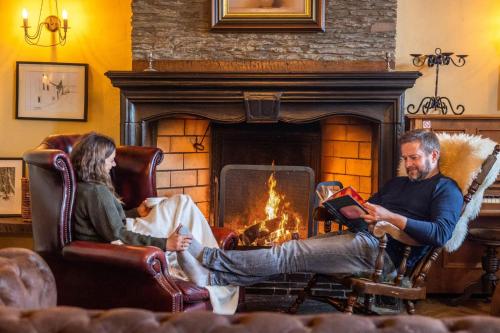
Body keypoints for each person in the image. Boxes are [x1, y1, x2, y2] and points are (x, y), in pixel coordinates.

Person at [175, 129, 464, 287]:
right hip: (364, 238)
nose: (409, 164)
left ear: (433, 155)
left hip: (385, 256)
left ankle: (210, 257)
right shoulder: (399, 183)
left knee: (289, 253)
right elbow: (369, 208)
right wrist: (341, 207)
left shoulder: (445, 189)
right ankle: (213, 278)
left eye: (414, 158)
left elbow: (441, 234)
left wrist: (391, 217)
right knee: (290, 253)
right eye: (406, 158)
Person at [70, 132, 239, 314]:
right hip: (121, 241)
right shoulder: (96, 192)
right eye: (110, 160)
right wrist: (165, 243)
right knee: (183, 203)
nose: (114, 164)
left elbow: (106, 221)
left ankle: (207, 261)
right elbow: (116, 233)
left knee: (180, 205)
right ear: (97, 161)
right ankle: (210, 262)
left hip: (125, 229)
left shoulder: (86, 188)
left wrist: (136, 212)